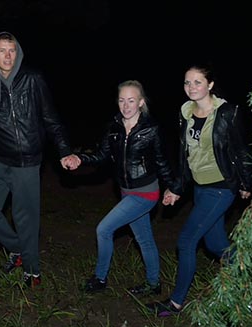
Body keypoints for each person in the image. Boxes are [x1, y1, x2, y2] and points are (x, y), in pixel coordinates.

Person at [0, 31, 78, 288]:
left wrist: (65, 150)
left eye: (12, 50)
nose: (7, 56)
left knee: (25, 219)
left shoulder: (33, 79)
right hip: (1, 159)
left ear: (18, 53)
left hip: (28, 161)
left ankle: (33, 273)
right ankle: (18, 248)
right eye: (2, 50)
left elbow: (51, 119)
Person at [155, 64, 252, 318]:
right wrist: (177, 188)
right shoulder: (186, 112)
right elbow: (186, 156)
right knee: (216, 244)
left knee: (186, 241)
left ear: (210, 85)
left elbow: (240, 150)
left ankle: (176, 302)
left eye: (197, 82)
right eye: (187, 82)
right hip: (200, 188)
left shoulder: (227, 112)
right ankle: (251, 274)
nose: (191, 87)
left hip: (221, 187)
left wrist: (246, 183)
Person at [66, 80, 178, 296]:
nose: (126, 106)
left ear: (141, 102)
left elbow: (162, 162)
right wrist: (80, 158)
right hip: (126, 191)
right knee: (144, 239)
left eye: (131, 101)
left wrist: (173, 188)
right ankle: (153, 283)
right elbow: (101, 156)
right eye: (121, 100)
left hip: (146, 192)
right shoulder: (114, 128)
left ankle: (100, 278)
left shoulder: (151, 129)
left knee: (104, 229)